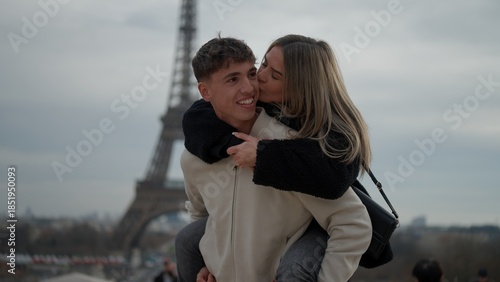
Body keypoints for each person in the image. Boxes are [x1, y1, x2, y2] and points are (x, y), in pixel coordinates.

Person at [178, 35, 372, 282]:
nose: (253, 84)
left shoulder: (293, 150)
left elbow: (352, 222)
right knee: (184, 239)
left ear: (298, 89)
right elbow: (202, 216)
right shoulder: (196, 154)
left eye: (251, 73)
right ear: (205, 91)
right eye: (233, 79)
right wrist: (209, 260)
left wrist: (265, 156)